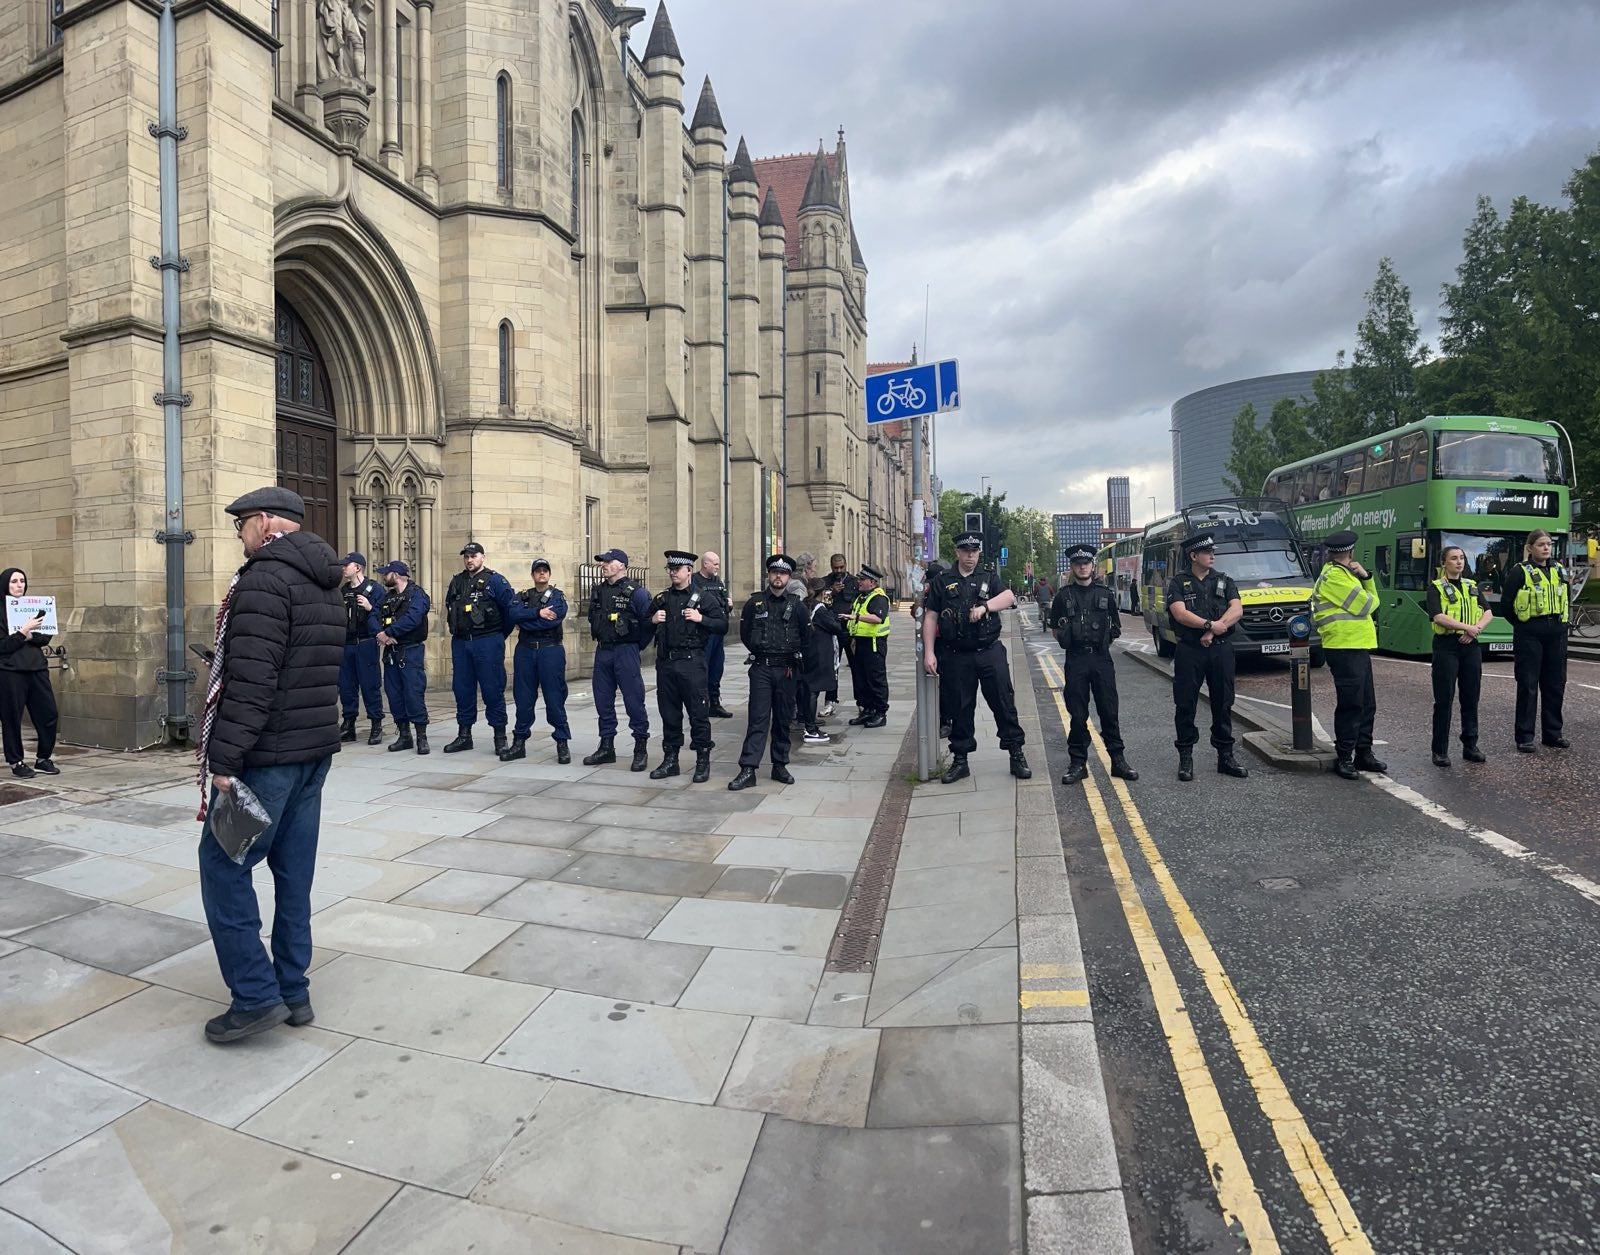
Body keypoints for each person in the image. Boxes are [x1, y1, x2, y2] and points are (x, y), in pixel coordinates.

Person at [195, 486, 344, 1044]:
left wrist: (224, 760)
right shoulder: (325, 579)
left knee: (222, 864)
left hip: (269, 757)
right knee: (293, 871)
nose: (239, 537)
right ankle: (292, 990)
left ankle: (256, 997)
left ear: (262, 522)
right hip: (312, 753)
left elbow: (253, 681)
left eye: (240, 527)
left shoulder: (264, 578)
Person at [922, 532, 1031, 783]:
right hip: (956, 655)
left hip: (988, 652)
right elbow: (931, 616)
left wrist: (985, 607)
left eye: (974, 551)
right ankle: (960, 760)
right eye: (966, 551)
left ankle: (1016, 754)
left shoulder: (988, 578)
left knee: (1004, 703)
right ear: (957, 553)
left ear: (979, 553)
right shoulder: (942, 580)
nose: (970, 555)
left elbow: (1008, 597)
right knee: (959, 708)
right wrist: (929, 652)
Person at [1164, 533, 1248, 782]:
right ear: (1193, 556)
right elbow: (1179, 614)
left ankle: (1225, 756)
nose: (1213, 555)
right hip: (1190, 651)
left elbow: (1237, 609)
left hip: (1220, 649)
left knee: (1223, 703)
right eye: (1207, 552)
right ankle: (1186, 758)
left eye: (1213, 551)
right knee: (1185, 704)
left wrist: (1213, 630)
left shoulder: (1224, 580)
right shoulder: (1179, 583)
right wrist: (1208, 625)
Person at [1051, 543, 1136, 783]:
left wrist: (1103, 642)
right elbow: (1056, 629)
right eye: (1077, 564)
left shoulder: (1105, 594)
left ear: (1092, 566)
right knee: (1077, 713)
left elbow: (1115, 626)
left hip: (1101, 659)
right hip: (1076, 659)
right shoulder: (1063, 596)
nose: (1082, 567)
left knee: (1109, 710)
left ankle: (1118, 761)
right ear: (1072, 567)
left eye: (1086, 563)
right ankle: (1078, 763)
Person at [1311, 529, 1385, 780]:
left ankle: (1364, 752)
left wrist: (1366, 577)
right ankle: (1344, 756)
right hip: (1343, 646)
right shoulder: (1334, 577)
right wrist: (1367, 582)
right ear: (1349, 552)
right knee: (1351, 704)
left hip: (1357, 645)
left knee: (1366, 703)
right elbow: (1368, 604)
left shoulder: (1345, 574)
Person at [648, 550, 726, 782]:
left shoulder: (703, 598)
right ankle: (671, 760)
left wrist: (702, 619)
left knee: (698, 713)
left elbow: (722, 624)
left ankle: (702, 760)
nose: (673, 573)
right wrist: (651, 620)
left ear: (689, 571)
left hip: (692, 663)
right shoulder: (662, 599)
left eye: (677, 569)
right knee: (669, 714)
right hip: (667, 663)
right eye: (670, 569)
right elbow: (641, 624)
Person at [730, 554, 806, 789]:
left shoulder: (797, 606)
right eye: (774, 573)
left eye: (782, 574)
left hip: (786, 669)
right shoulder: (755, 603)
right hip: (762, 667)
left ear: (788, 577)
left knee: (783, 719)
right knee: (758, 719)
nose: (778, 577)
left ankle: (780, 765)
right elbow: (745, 633)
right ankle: (748, 768)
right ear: (769, 575)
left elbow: (806, 637)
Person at [442, 542, 516, 755]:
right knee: (462, 689)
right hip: (462, 642)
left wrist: (498, 636)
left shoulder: (496, 581)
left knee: (492, 689)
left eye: (473, 556)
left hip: (488, 641)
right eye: (466, 556)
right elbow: (450, 609)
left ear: (483, 557)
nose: (469, 560)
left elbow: (510, 612)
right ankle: (464, 735)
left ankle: (500, 737)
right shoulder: (457, 582)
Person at [1500, 527, 1570, 753]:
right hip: (1530, 633)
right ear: (1530, 548)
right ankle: (1525, 736)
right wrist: (1524, 626)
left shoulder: (1560, 570)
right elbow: (1506, 604)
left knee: (1555, 685)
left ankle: (1553, 734)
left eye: (1548, 544)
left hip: (1556, 633)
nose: (1546, 548)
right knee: (1528, 685)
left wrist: (1561, 626)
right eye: (1541, 544)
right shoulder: (1519, 571)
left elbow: (1566, 598)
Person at [584, 547, 653, 770]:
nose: (603, 565)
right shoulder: (598, 590)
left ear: (621, 565)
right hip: (603, 650)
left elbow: (649, 623)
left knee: (634, 700)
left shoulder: (636, 592)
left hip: (625, 651)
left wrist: (636, 646)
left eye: (608, 561)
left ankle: (640, 748)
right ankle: (606, 747)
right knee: (603, 701)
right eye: (602, 562)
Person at [1426, 544, 1491, 767]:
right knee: (1444, 699)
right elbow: (1437, 616)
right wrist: (1467, 627)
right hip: (1447, 647)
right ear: (1444, 563)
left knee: (1471, 698)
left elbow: (1488, 612)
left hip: (1470, 646)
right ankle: (1440, 751)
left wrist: (1475, 631)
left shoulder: (1472, 585)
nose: (1459, 562)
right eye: (1453, 558)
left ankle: (1470, 745)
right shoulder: (1436, 587)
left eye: (1461, 558)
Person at [502, 557, 571, 764]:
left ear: (549, 574)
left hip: (550, 651)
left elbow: (555, 619)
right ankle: (519, 742)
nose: (542, 573)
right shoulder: (521, 597)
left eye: (545, 570)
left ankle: (562, 742)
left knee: (554, 698)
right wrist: (538, 613)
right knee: (523, 699)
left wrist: (528, 620)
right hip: (526, 651)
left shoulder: (557, 597)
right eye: (538, 571)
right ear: (532, 575)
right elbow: (513, 614)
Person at [0, 569, 60, 779]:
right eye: (14, 581)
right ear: (5, 584)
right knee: (12, 718)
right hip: (10, 672)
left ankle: (43, 758)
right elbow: (3, 645)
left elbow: (45, 637)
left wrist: (27, 635)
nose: (19, 585)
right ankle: (16, 761)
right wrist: (21, 633)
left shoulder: (34, 607)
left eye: (22, 581)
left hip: (36, 669)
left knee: (49, 714)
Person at [367, 560, 431, 754]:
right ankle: (404, 736)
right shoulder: (387, 598)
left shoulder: (417, 594)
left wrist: (391, 632)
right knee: (394, 695)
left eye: (386, 574)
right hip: (391, 652)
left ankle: (421, 737)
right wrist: (380, 634)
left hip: (410, 650)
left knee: (413, 693)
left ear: (395, 575)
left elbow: (413, 618)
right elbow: (372, 616)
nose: (383, 577)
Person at [337, 552, 385, 746]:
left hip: (366, 643)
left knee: (370, 685)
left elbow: (384, 614)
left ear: (357, 567)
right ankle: (349, 725)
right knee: (347, 686)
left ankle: (376, 725)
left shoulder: (375, 589)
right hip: (346, 644)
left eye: (346, 565)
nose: (342, 568)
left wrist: (369, 607)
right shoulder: (343, 590)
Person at [842, 565, 891, 727]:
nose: (859, 582)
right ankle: (867, 709)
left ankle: (880, 712)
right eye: (859, 579)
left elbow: (878, 618)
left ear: (872, 582)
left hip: (874, 644)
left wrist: (854, 617)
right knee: (861, 678)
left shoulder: (879, 597)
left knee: (875, 679)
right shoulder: (861, 596)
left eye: (862, 580)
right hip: (860, 642)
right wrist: (854, 639)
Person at [801, 579, 848, 743]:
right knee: (813, 691)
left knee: (809, 690)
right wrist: (831, 611)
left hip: (809, 652)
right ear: (823, 593)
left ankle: (808, 723)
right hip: (819, 653)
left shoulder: (806, 605)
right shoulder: (820, 609)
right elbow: (836, 627)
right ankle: (810, 729)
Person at [693, 551, 733, 719]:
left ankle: (714, 703)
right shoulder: (695, 581)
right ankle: (701, 703)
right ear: (705, 564)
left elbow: (723, 601)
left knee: (717, 669)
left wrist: (729, 604)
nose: (717, 567)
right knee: (704, 669)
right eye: (715, 564)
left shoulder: (717, 581)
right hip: (704, 633)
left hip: (718, 631)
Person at [821, 554, 856, 715]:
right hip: (833, 628)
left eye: (841, 567)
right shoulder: (825, 582)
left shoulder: (853, 582)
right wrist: (832, 592)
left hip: (850, 630)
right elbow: (820, 603)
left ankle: (861, 701)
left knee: (856, 666)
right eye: (836, 568)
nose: (839, 571)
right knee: (832, 667)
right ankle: (830, 700)